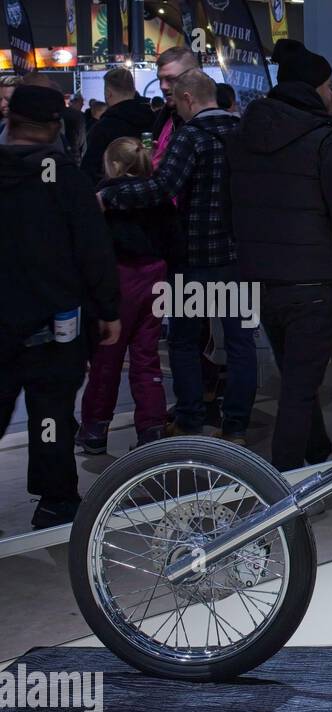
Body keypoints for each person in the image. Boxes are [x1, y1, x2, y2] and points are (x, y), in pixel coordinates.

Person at [223, 38, 332, 470]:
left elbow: (230, 209)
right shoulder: (327, 141)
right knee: (300, 388)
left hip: (260, 280)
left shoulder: (243, 135)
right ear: (314, 88)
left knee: (296, 378)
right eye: (328, 85)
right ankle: (283, 490)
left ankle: (318, 454)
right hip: (315, 284)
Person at [99, 69, 252, 445]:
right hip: (239, 258)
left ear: (187, 99)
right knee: (240, 345)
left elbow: (163, 186)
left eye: (175, 102)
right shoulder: (245, 134)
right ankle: (235, 428)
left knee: (184, 343)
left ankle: (189, 421)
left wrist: (110, 197)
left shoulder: (191, 137)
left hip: (194, 260)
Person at [0, 84, 119, 528]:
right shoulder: (65, 177)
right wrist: (109, 309)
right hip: (54, 325)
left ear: (10, 122)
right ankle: (55, 502)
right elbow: (93, 249)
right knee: (50, 413)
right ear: (54, 127)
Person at [76, 137, 178, 453]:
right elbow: (175, 238)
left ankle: (95, 429)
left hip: (118, 280)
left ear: (116, 165)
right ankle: (152, 429)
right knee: (146, 359)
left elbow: (91, 246)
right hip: (156, 275)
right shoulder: (158, 196)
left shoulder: (104, 198)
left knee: (106, 358)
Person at [80, 67, 153, 179]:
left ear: (108, 93)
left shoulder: (103, 127)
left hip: (111, 190)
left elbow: (90, 170)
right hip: (149, 188)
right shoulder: (154, 119)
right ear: (133, 90)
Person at [150, 46, 201, 167]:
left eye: (170, 79)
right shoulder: (166, 115)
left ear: (193, 77)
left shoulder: (203, 124)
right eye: (160, 79)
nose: (163, 86)